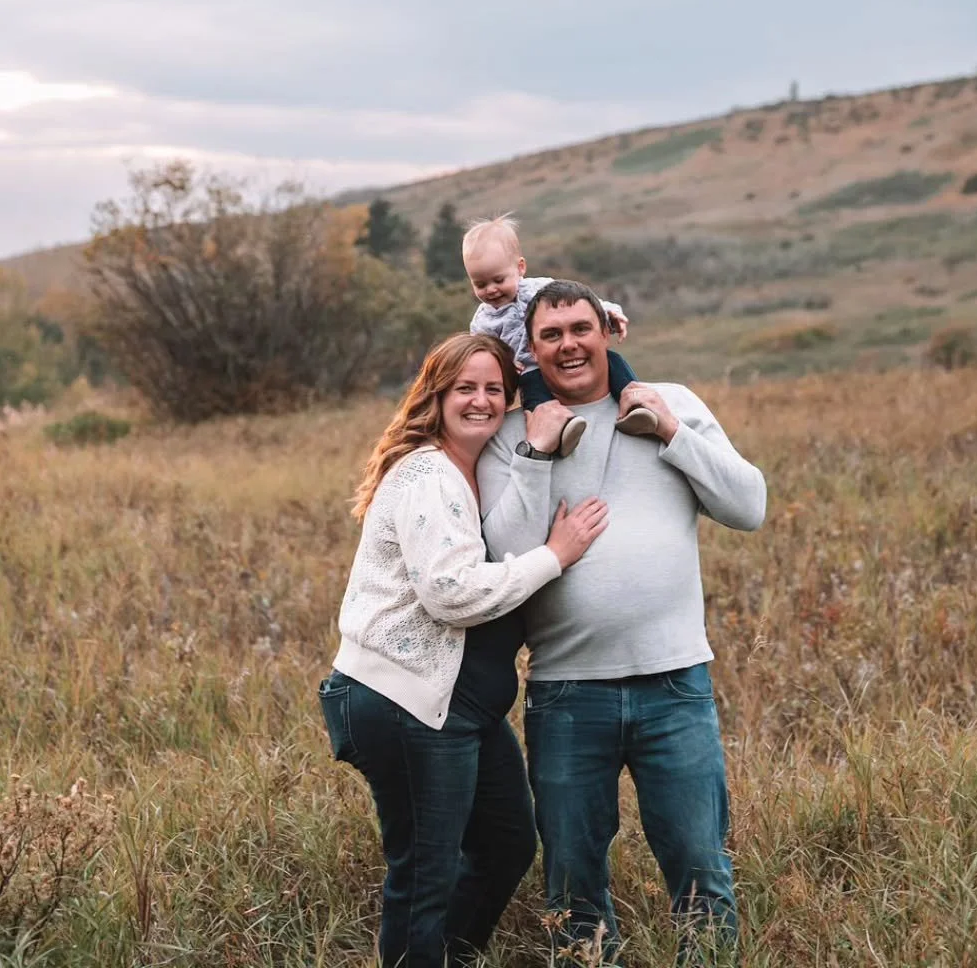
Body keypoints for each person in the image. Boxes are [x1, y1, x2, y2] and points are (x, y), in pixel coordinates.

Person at [477, 281, 767, 963]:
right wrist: (539, 453)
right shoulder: (512, 434)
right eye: (550, 335)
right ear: (531, 349)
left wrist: (670, 430)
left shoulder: (673, 402)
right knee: (574, 887)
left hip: (677, 687)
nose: (568, 344)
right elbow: (506, 555)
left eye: (580, 328)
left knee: (702, 871)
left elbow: (748, 505)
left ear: (606, 330)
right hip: (568, 695)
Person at [319, 331, 608, 968]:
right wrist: (553, 557)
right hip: (403, 697)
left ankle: (448, 957)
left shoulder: (472, 470)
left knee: (506, 844)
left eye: (493, 390)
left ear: (511, 399)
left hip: (456, 706)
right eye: (464, 388)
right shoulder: (428, 472)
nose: (479, 400)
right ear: (437, 395)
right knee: (425, 877)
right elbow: (448, 593)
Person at [462, 214, 656, 455]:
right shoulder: (483, 320)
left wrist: (610, 314)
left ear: (520, 268)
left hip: (559, 358)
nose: (491, 290)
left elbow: (582, 304)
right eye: (480, 284)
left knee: (611, 361)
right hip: (530, 368)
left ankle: (635, 403)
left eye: (498, 280)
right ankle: (558, 429)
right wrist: (505, 366)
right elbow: (483, 352)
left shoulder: (539, 289)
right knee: (534, 394)